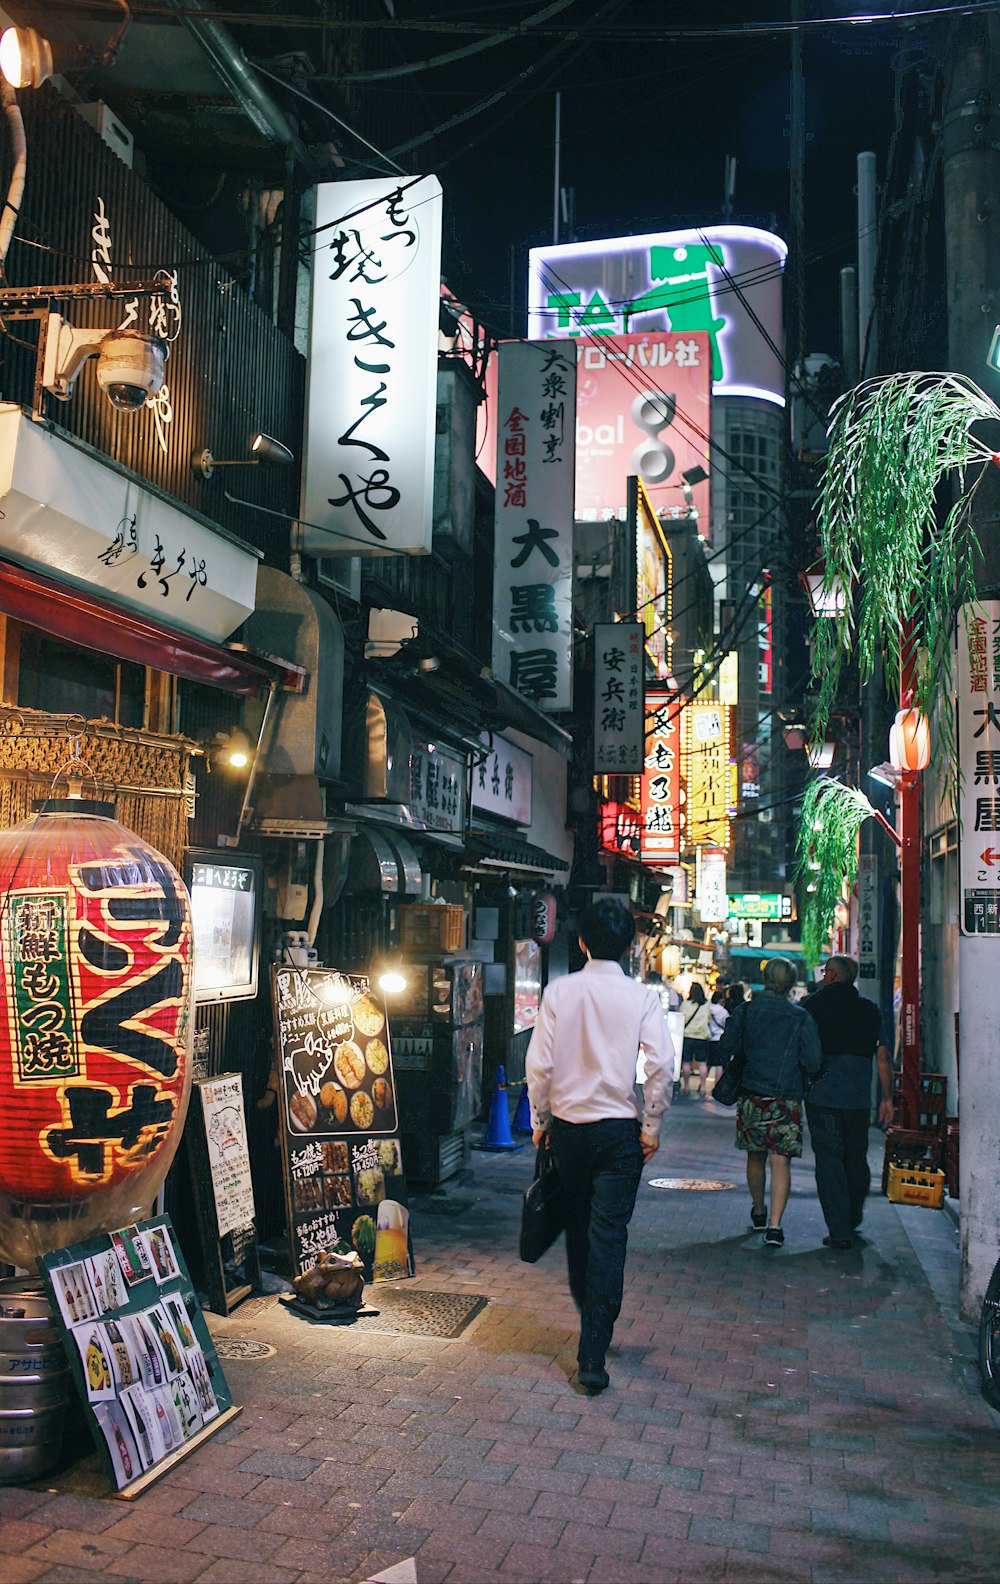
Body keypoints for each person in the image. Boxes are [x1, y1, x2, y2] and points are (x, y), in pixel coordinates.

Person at [526, 898, 672, 1395]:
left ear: (582, 941)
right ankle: (594, 1350)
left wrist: (540, 1120)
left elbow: (539, 1066)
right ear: (631, 947)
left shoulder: (559, 993)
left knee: (578, 1228)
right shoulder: (643, 998)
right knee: (609, 1235)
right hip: (618, 1133)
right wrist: (650, 1125)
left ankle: (591, 1323)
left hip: (569, 1130)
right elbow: (660, 1067)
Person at [716, 956, 822, 1247]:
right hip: (785, 1097)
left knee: (755, 1155)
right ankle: (775, 1226)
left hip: (752, 1094)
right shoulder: (800, 1017)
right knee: (780, 1161)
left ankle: (759, 1211)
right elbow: (813, 1061)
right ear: (790, 983)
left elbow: (727, 1046)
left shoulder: (746, 1011)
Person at [802, 954, 894, 1249]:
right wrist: (887, 1098)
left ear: (831, 976)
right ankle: (852, 1215)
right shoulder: (869, 1010)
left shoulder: (812, 1006)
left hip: (822, 1095)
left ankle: (839, 1228)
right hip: (857, 1097)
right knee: (855, 1158)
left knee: (829, 1161)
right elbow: (882, 1055)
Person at [680, 981, 712, 1097]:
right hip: (702, 1037)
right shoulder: (706, 1005)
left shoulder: (685, 1004)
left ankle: (686, 1086)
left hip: (687, 1036)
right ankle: (703, 1087)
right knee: (702, 1063)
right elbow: (708, 1020)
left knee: (686, 1062)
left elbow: (681, 1019)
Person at [706, 987, 730, 1095]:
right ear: (721, 1000)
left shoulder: (707, 1009)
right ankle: (716, 1087)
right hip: (720, 1038)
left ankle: (702, 1085)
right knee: (719, 1064)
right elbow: (727, 1024)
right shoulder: (723, 1011)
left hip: (709, 1038)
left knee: (708, 1063)